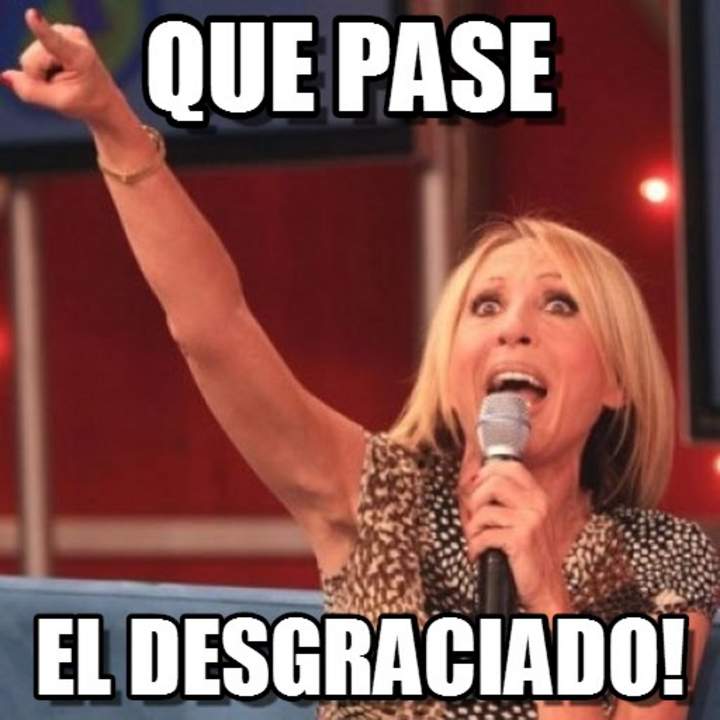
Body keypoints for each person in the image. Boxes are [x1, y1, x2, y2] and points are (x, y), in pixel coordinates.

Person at [2, 9, 717, 720]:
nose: (513, 330)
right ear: (451, 368)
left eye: (559, 305)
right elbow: (213, 328)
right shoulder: (381, 499)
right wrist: (114, 125)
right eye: (485, 306)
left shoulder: (663, 556)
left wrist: (546, 599)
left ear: (618, 382)